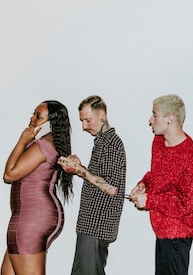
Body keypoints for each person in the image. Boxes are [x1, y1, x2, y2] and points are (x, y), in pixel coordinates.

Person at [129, 94, 193, 275]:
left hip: (178, 235)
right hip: (162, 231)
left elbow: (189, 203)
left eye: (155, 115)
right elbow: (156, 175)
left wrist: (149, 201)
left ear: (170, 118)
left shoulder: (189, 156)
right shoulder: (159, 142)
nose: (150, 120)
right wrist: (144, 184)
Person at [1, 100, 73, 275]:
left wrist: (21, 141)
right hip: (28, 216)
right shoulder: (42, 143)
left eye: (38, 116)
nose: (32, 118)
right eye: (33, 114)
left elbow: (9, 175)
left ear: (51, 123)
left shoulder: (44, 146)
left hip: (34, 216)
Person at [58, 95, 127, 275]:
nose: (84, 127)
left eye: (87, 120)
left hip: (96, 228)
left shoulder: (111, 144)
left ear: (102, 115)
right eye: (82, 121)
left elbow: (111, 188)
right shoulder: (102, 142)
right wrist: (79, 167)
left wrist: (79, 170)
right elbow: (100, 179)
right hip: (90, 226)